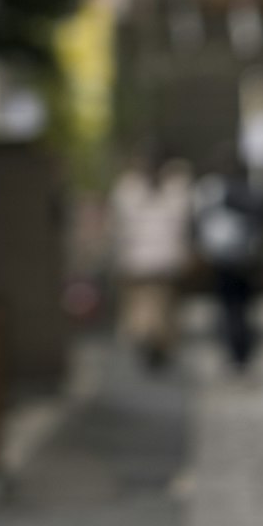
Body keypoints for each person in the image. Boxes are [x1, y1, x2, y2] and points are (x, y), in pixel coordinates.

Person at [107, 151, 192, 369]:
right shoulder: (129, 192)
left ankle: (157, 346)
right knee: (147, 311)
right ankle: (151, 345)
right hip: (142, 263)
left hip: (158, 263)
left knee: (159, 310)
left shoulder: (172, 191)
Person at [192, 146, 263, 370]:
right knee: (231, 308)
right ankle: (237, 349)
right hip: (225, 258)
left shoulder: (228, 191)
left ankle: (240, 348)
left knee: (236, 307)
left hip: (240, 258)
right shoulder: (211, 190)